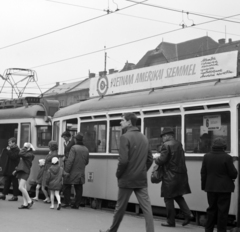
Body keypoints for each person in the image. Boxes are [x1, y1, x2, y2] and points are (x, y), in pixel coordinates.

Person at [100, 112, 154, 232]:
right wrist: (142, 169)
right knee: (147, 208)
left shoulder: (125, 137)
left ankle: (112, 230)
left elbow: (123, 161)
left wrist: (118, 174)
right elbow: (150, 159)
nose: (120, 122)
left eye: (122, 120)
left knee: (120, 207)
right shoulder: (144, 137)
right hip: (141, 178)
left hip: (127, 178)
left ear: (129, 122)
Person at [154, 128, 193, 227]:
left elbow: (162, 160)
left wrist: (156, 159)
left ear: (167, 136)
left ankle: (171, 221)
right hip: (181, 174)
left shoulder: (166, 145)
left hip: (170, 176)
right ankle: (188, 214)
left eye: (163, 136)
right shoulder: (179, 144)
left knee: (168, 198)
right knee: (178, 195)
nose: (162, 139)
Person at [201, 137, 238, 232]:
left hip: (210, 188)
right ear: (224, 147)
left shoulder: (206, 156)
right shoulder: (227, 157)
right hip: (224, 188)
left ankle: (208, 230)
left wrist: (204, 186)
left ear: (213, 146)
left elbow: (203, 173)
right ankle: (221, 230)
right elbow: (233, 173)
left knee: (211, 210)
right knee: (223, 212)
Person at [62, 132, 89, 209]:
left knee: (66, 185)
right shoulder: (86, 149)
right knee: (79, 188)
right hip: (81, 172)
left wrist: (66, 171)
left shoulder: (74, 148)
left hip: (72, 171)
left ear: (76, 140)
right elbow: (87, 161)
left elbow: (70, 161)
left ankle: (67, 202)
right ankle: (77, 204)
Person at [13, 142, 35, 209]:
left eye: (25, 147)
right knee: (23, 188)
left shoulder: (30, 154)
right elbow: (21, 162)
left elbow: (20, 153)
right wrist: (16, 170)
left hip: (25, 171)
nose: (23, 148)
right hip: (20, 171)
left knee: (20, 187)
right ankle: (25, 204)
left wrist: (24, 147)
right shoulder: (27, 154)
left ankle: (29, 201)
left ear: (28, 148)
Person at [0, 137, 20, 201]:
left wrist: (8, 151)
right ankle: (4, 194)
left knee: (14, 182)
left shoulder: (17, 149)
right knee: (7, 181)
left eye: (10, 143)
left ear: (14, 143)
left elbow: (13, 157)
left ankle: (15, 196)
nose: (9, 144)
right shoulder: (11, 149)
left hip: (14, 168)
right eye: (8, 143)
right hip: (9, 167)